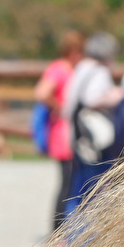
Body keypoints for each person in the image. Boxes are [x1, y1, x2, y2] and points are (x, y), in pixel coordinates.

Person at [62, 31, 123, 227]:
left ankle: (70, 231)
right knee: (93, 186)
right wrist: (114, 96)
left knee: (77, 185)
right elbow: (91, 99)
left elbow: (68, 105)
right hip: (94, 139)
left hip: (77, 135)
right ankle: (85, 234)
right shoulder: (99, 71)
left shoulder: (80, 68)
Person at [33, 30, 83, 232]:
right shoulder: (60, 69)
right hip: (62, 134)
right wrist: (59, 106)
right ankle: (58, 229)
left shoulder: (65, 69)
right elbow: (41, 92)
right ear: (72, 51)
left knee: (67, 181)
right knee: (66, 183)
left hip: (65, 133)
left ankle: (60, 228)